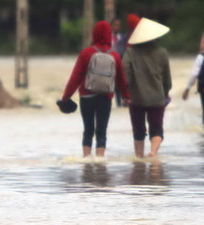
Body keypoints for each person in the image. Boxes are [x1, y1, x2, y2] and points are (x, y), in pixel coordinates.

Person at [59, 20, 131, 158]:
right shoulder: (115, 56)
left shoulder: (86, 53)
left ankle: (87, 159)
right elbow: (121, 80)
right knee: (101, 130)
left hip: (86, 97)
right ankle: (100, 160)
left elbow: (75, 77)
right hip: (105, 97)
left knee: (88, 130)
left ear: (95, 34)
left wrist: (66, 97)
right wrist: (126, 96)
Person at [123, 17, 173, 158]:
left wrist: (125, 93)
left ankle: (139, 156)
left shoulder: (130, 52)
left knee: (138, 130)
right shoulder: (162, 52)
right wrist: (165, 93)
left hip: (136, 98)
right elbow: (167, 79)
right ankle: (153, 152)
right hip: (157, 98)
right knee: (156, 128)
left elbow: (125, 74)